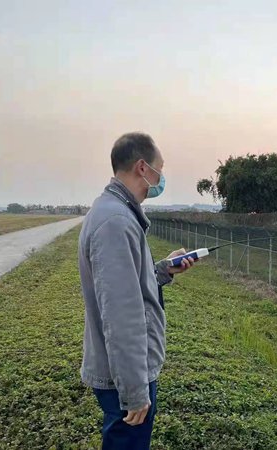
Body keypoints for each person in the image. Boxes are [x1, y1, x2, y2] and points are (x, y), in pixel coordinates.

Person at [78, 132, 194, 449]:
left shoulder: (114, 212)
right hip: (126, 376)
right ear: (143, 168)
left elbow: (129, 283)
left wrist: (163, 269)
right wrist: (134, 390)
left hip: (124, 371)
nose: (161, 176)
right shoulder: (115, 222)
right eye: (160, 168)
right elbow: (121, 315)